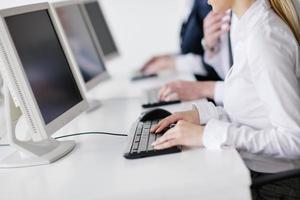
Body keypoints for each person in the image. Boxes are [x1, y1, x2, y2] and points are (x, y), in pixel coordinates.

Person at [151, 0, 300, 199]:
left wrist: (208, 134)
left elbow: (294, 140)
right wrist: (200, 116)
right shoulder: (247, 27)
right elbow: (252, 112)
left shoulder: (264, 38)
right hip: (255, 172)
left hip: (275, 185)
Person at [140, 0, 231, 105]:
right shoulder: (193, 5)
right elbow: (194, 49)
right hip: (223, 99)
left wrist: (171, 63)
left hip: (218, 96)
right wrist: (170, 57)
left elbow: (220, 66)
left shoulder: (210, 5)